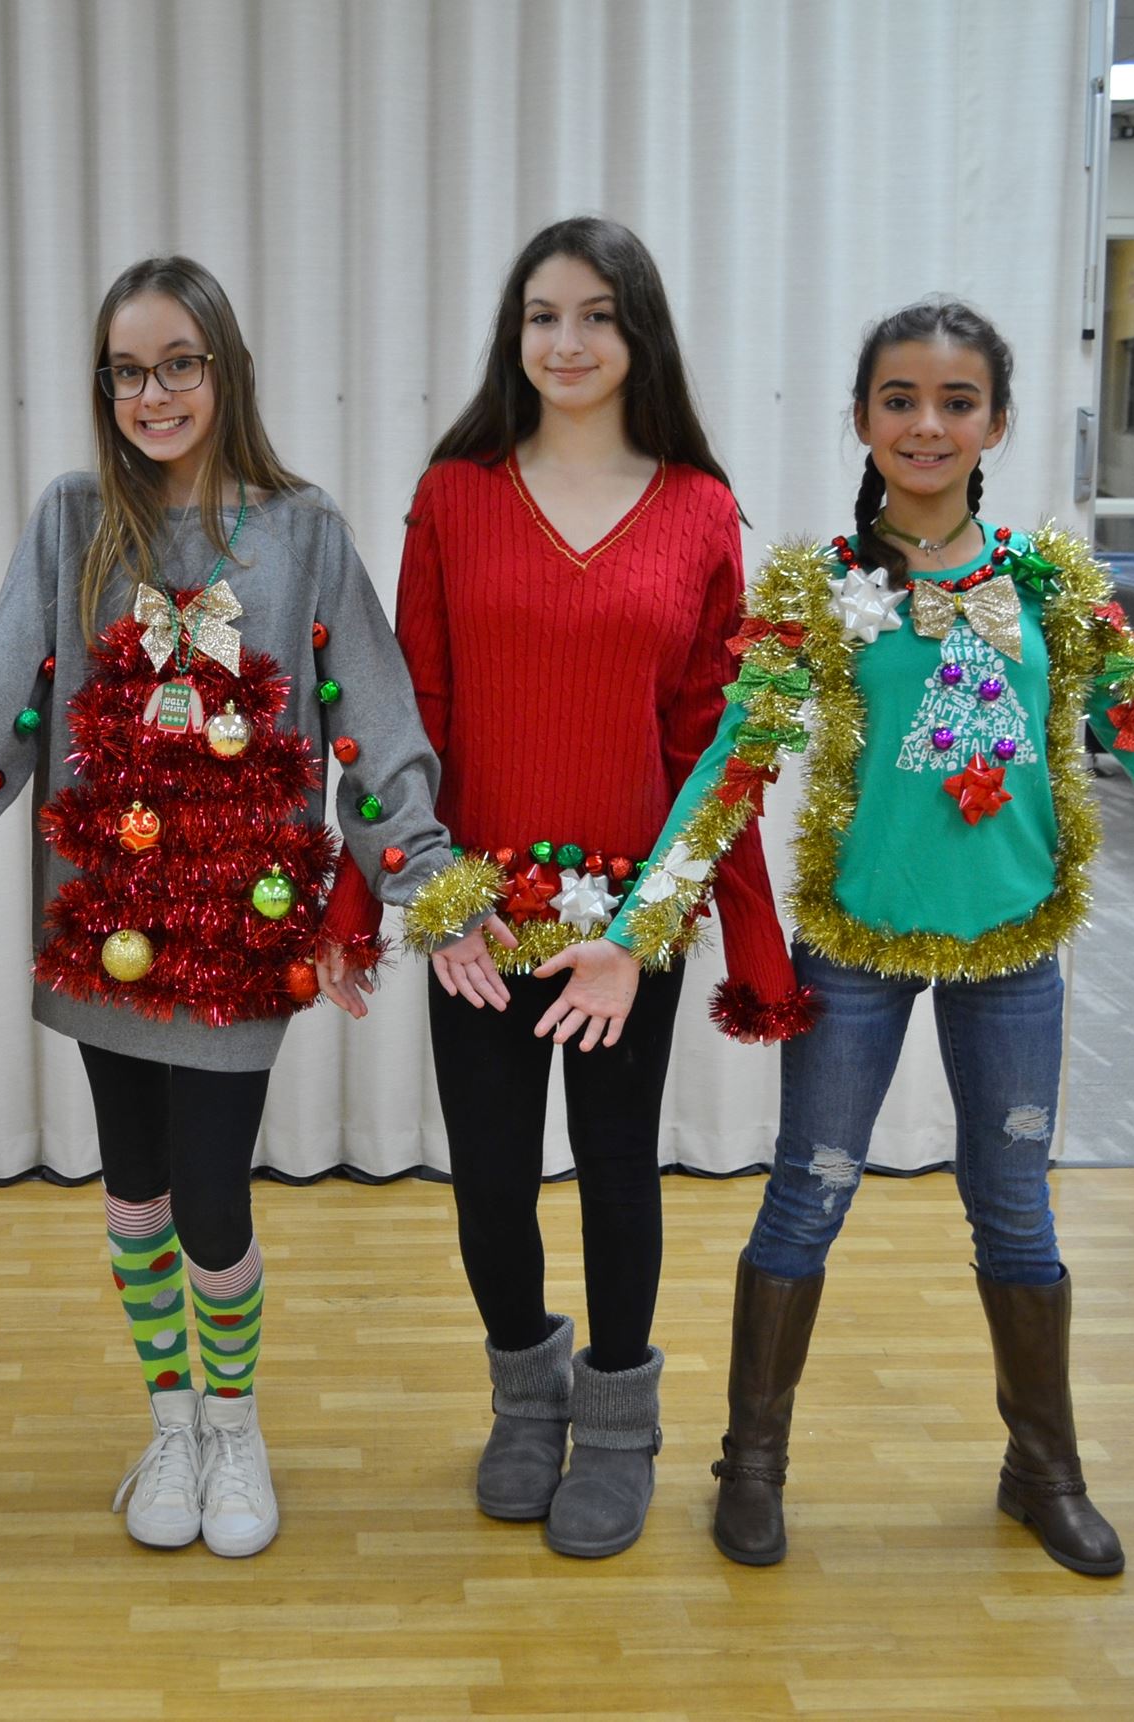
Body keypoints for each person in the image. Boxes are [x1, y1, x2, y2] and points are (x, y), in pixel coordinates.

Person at [550, 298, 1134, 1577]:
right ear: (861, 421)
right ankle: (754, 1464)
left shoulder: (1051, 589)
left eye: (955, 402)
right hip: (857, 953)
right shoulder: (816, 596)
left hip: (1011, 959)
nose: (926, 424)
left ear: (995, 421)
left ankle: (1040, 1470)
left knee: (1015, 1216)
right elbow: (729, 769)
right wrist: (635, 929)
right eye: (899, 400)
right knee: (804, 1203)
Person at [0, 256, 507, 1558]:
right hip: (99, 927)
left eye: (179, 362)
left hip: (241, 942)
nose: (155, 392)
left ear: (223, 369)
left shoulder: (301, 531)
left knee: (211, 1199)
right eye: (129, 369)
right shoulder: (75, 519)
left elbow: (373, 718)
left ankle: (237, 1420)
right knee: (131, 1190)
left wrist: (425, 878)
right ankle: (175, 1417)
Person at [321, 217, 799, 1559]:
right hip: (471, 910)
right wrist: (396, 898)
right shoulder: (456, 491)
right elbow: (406, 706)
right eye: (544, 314)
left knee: (614, 1172)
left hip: (625, 929)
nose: (570, 341)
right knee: (486, 1178)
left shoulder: (700, 508)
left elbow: (718, 742)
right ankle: (525, 1396)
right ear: (512, 333)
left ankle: (622, 1424)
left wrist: (655, 931)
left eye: (598, 314)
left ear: (639, 332)